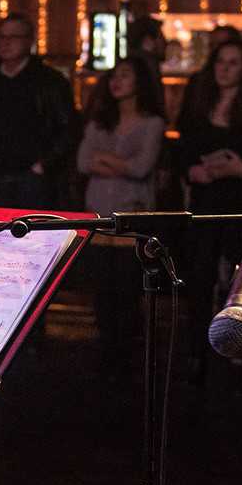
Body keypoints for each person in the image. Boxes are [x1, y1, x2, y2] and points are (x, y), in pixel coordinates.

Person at [177, 38, 242, 376]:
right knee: (199, 278)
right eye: (220, 61)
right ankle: (197, 352)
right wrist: (192, 170)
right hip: (205, 205)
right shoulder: (198, 106)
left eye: (233, 62)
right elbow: (181, 153)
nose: (224, 68)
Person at [76, 55, 166, 361]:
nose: (116, 81)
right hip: (99, 213)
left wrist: (106, 161)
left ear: (140, 82)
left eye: (125, 75)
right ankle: (106, 353)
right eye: (114, 75)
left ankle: (128, 357)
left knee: (129, 291)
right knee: (102, 291)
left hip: (134, 214)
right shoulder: (100, 121)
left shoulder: (152, 123)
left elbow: (141, 168)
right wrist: (120, 165)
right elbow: (83, 162)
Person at [0, 13, 75, 208]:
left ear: (29, 41)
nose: (6, 43)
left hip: (33, 178)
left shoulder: (51, 81)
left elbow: (68, 128)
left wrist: (44, 164)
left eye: (14, 37)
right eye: (1, 37)